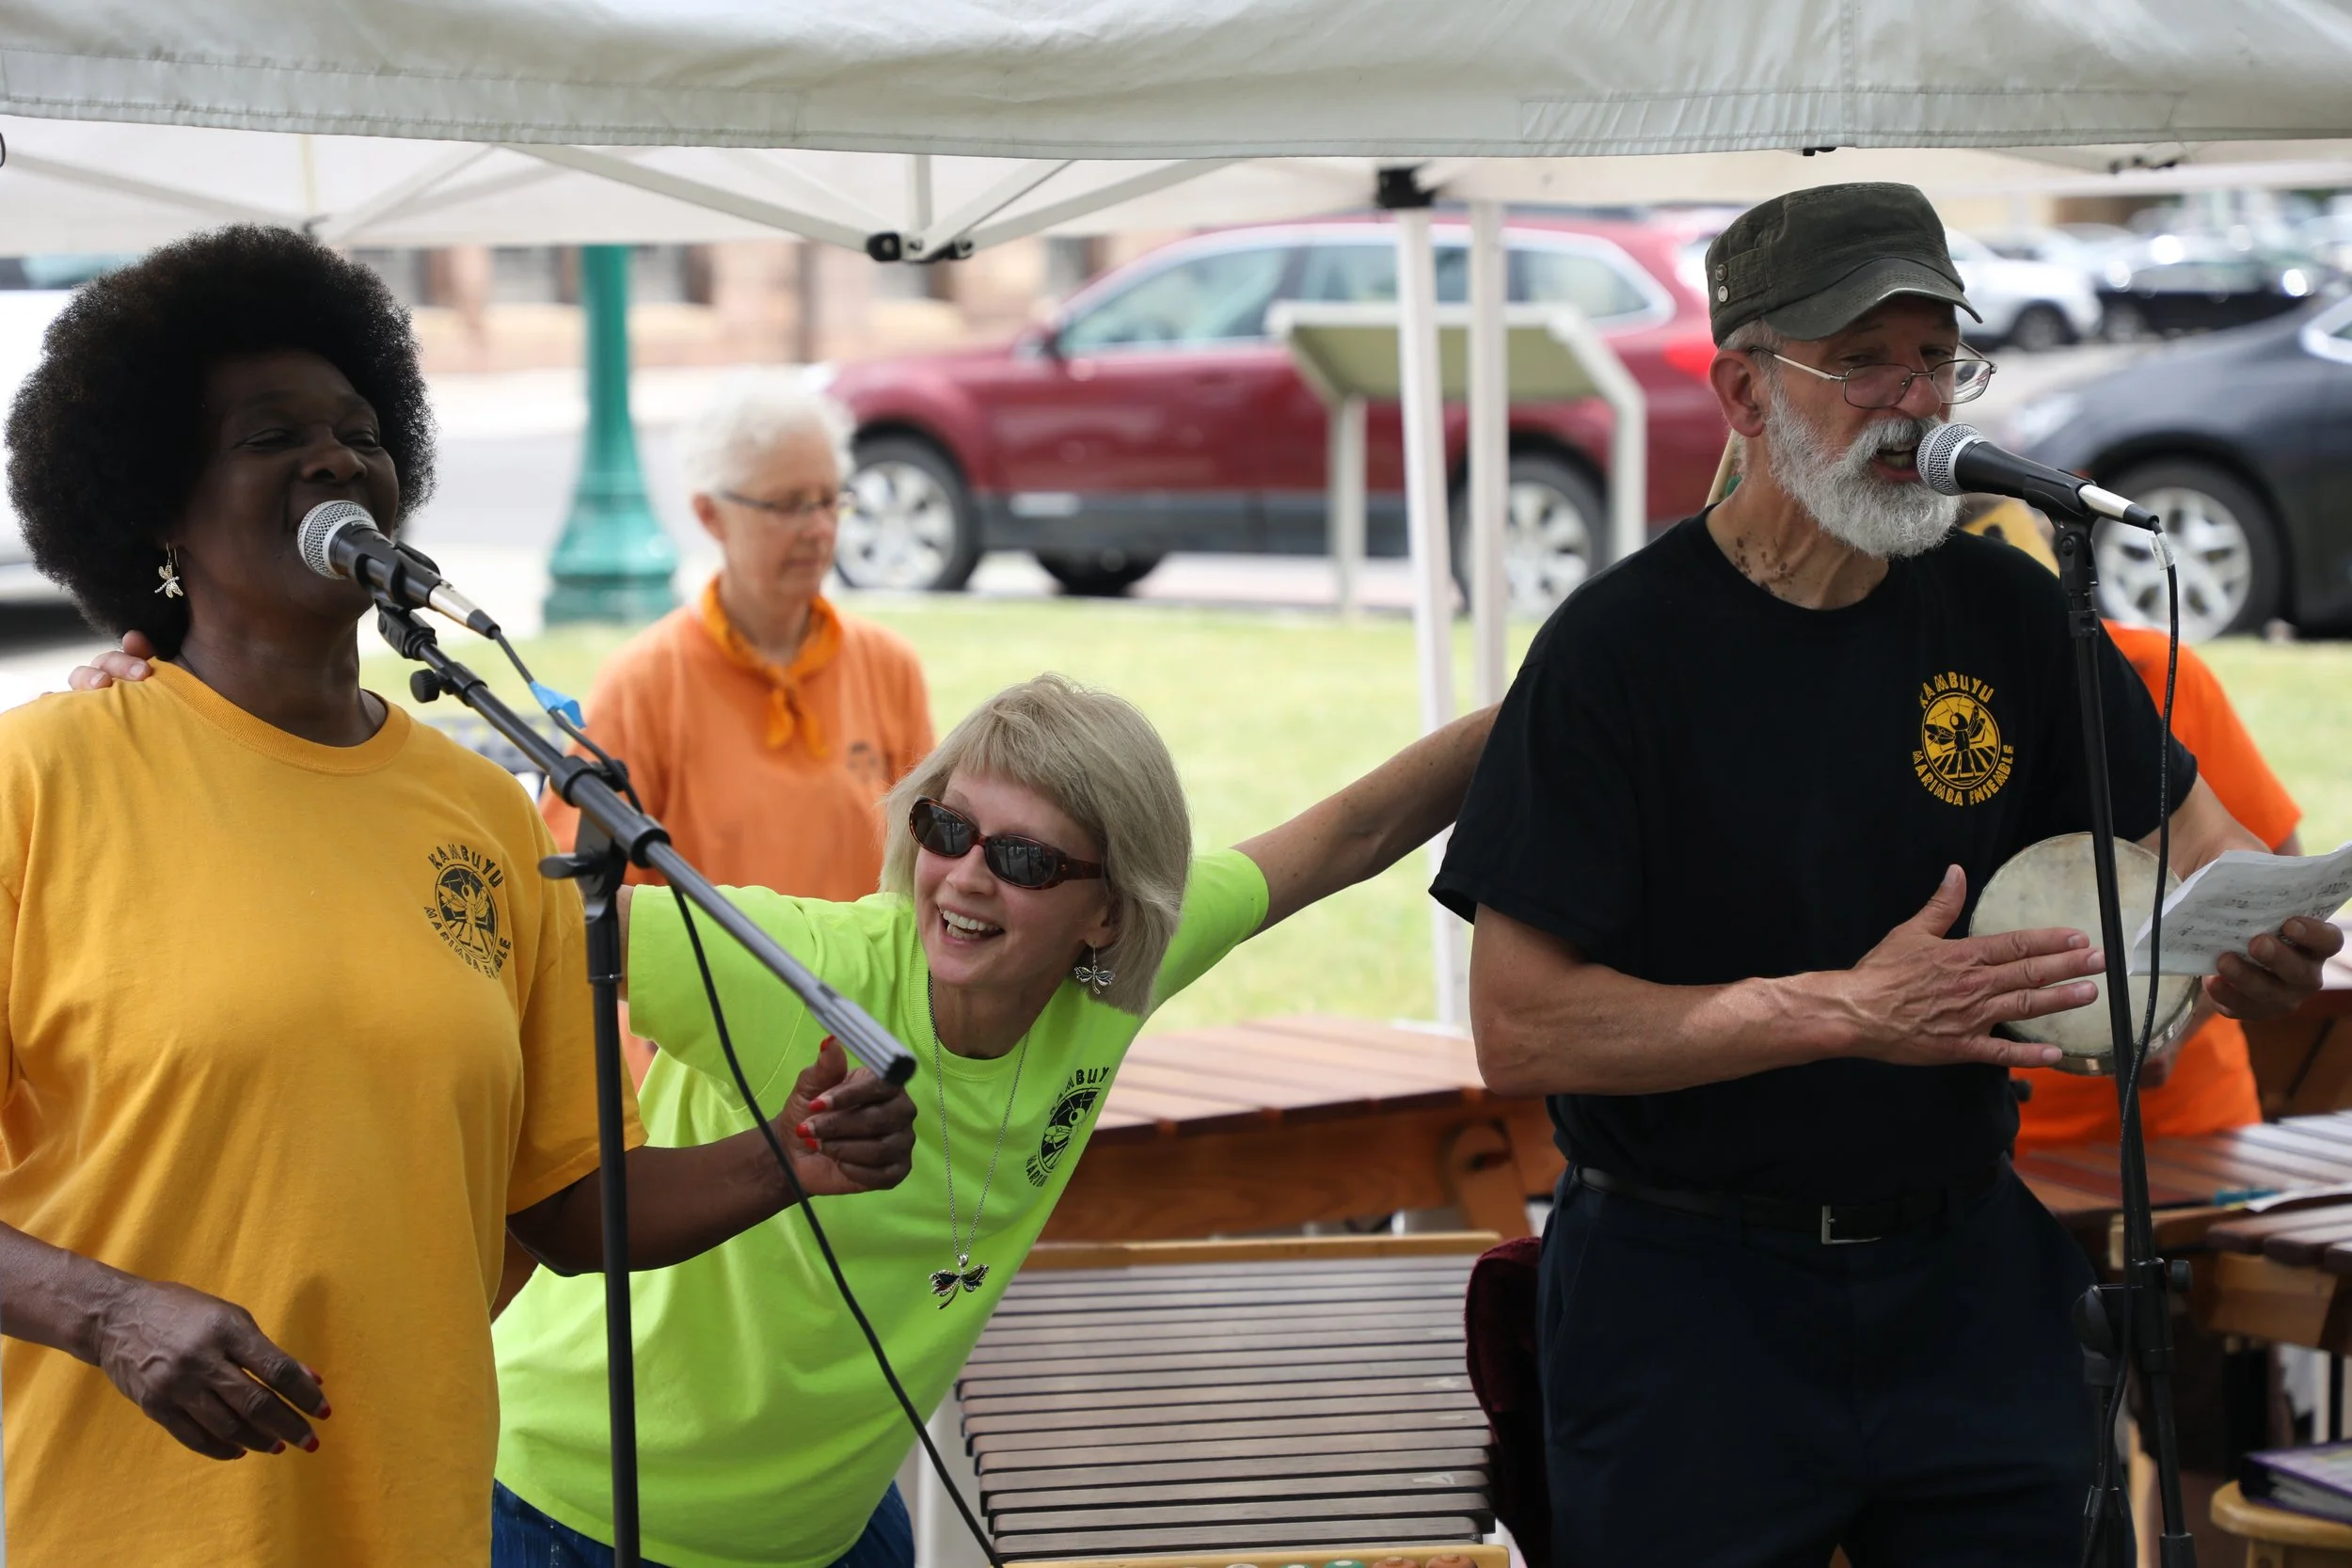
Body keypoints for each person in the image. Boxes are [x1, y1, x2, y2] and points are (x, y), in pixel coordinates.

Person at [1431, 182, 2342, 1566]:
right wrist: (1842, 1008)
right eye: (1865, 361)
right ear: (1745, 387)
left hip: (1964, 1274)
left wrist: (2252, 942)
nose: (1916, 400)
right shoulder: (1618, 652)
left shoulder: (2011, 608)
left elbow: (2207, 845)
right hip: (1691, 1300)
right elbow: (1520, 1026)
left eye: (1936, 358)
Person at [3, 225, 915, 1568]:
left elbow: (554, 1204)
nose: (335, 457)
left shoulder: (485, 808)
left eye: (359, 428)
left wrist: (792, 1156)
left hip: (415, 1518)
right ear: (155, 502)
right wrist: (105, 1310)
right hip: (132, 1521)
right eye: (270, 435)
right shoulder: (46, 777)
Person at [486, 674, 1497, 1568]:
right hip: (573, 1506)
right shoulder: (799, 968)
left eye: (1022, 857)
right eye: (946, 829)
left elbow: (1353, 834)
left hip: (817, 1525)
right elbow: (513, 927)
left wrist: (1573, 678)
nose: (966, 876)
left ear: (1107, 913)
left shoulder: (1116, 981)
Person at [1959, 499, 2304, 1148]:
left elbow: (2269, 867)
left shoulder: (2157, 672)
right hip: (2001, 1149)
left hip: (2188, 1132)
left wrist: (2180, 1023)